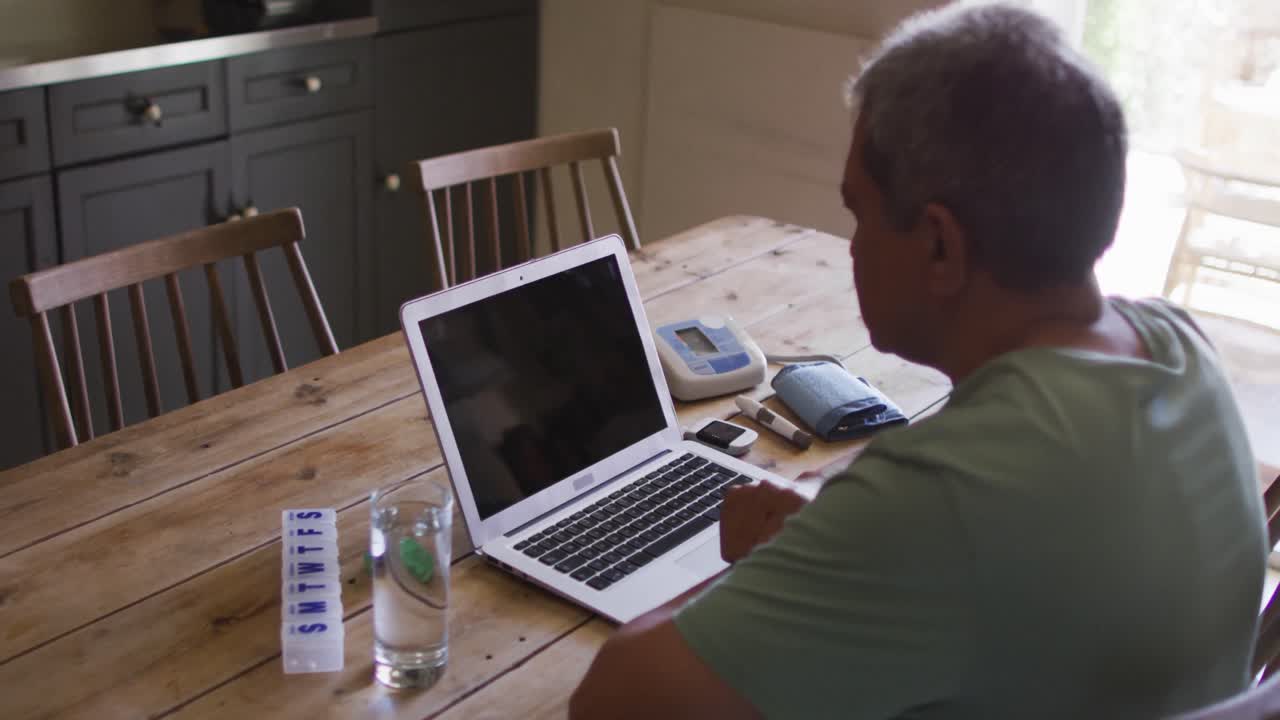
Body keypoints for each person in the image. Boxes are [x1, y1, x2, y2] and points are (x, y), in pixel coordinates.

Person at [569, 3, 1267, 718]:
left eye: (859, 212)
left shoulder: (946, 494)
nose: (852, 246)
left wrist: (772, 559)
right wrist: (839, 530)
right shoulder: (1181, 350)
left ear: (940, 246)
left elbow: (611, 702)